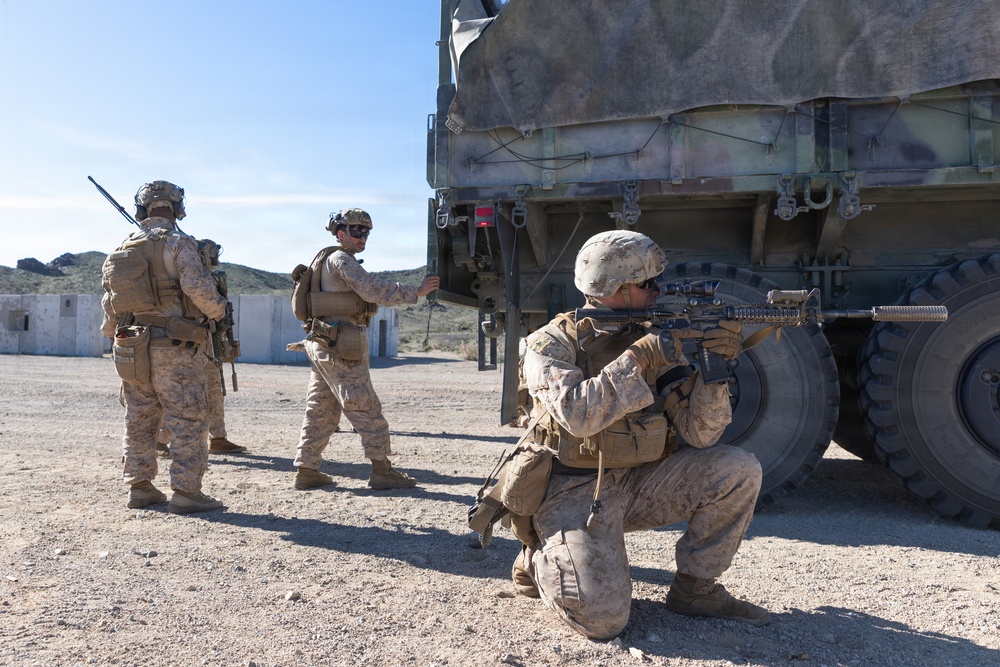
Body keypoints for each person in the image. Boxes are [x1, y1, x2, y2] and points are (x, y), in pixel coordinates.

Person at [510, 229, 769, 639]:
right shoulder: (550, 343)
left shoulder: (649, 335)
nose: (657, 291)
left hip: (639, 481)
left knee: (737, 468)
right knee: (602, 620)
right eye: (647, 284)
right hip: (573, 490)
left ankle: (695, 590)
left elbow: (700, 435)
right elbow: (577, 415)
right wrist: (640, 356)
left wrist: (715, 369)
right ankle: (539, 553)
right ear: (617, 288)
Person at [100, 180, 228, 514]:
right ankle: (187, 491)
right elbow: (198, 289)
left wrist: (114, 333)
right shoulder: (178, 242)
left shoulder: (122, 247)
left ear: (142, 209)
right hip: (174, 344)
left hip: (131, 344)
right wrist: (219, 309)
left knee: (139, 416)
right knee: (187, 416)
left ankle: (140, 487)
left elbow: (110, 304)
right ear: (177, 208)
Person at [292, 208, 440, 491]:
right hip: (339, 345)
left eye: (366, 232)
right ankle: (382, 470)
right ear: (340, 233)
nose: (362, 237)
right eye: (356, 231)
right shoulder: (340, 259)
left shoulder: (329, 259)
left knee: (321, 408)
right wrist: (416, 292)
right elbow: (372, 289)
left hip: (324, 342)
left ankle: (306, 468)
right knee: (365, 406)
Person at [155, 354, 246, 457]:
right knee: (185, 397)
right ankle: (161, 440)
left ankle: (218, 438)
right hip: (186, 350)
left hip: (206, 351)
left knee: (214, 393)